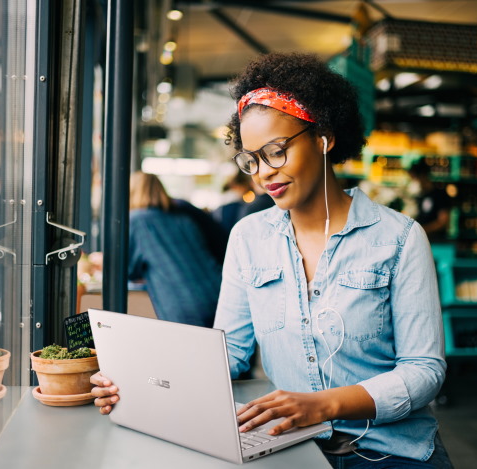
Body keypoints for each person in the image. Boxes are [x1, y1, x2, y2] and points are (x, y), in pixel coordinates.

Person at [92, 53, 451, 468]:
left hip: (391, 452)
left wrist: (323, 405)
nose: (264, 173)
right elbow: (228, 352)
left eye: (276, 151)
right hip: (292, 448)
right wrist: (135, 380)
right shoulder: (249, 238)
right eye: (252, 159)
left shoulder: (400, 238)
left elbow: (424, 370)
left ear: (324, 138)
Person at [127, 171, 222, 327]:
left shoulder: (136, 221)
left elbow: (130, 271)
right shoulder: (183, 218)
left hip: (182, 303)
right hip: (216, 294)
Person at [408, 158, 453, 242]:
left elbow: (443, 222)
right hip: (420, 240)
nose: (413, 182)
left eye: (414, 178)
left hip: (436, 242)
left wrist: (421, 230)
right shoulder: (419, 196)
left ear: (422, 176)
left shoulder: (440, 195)